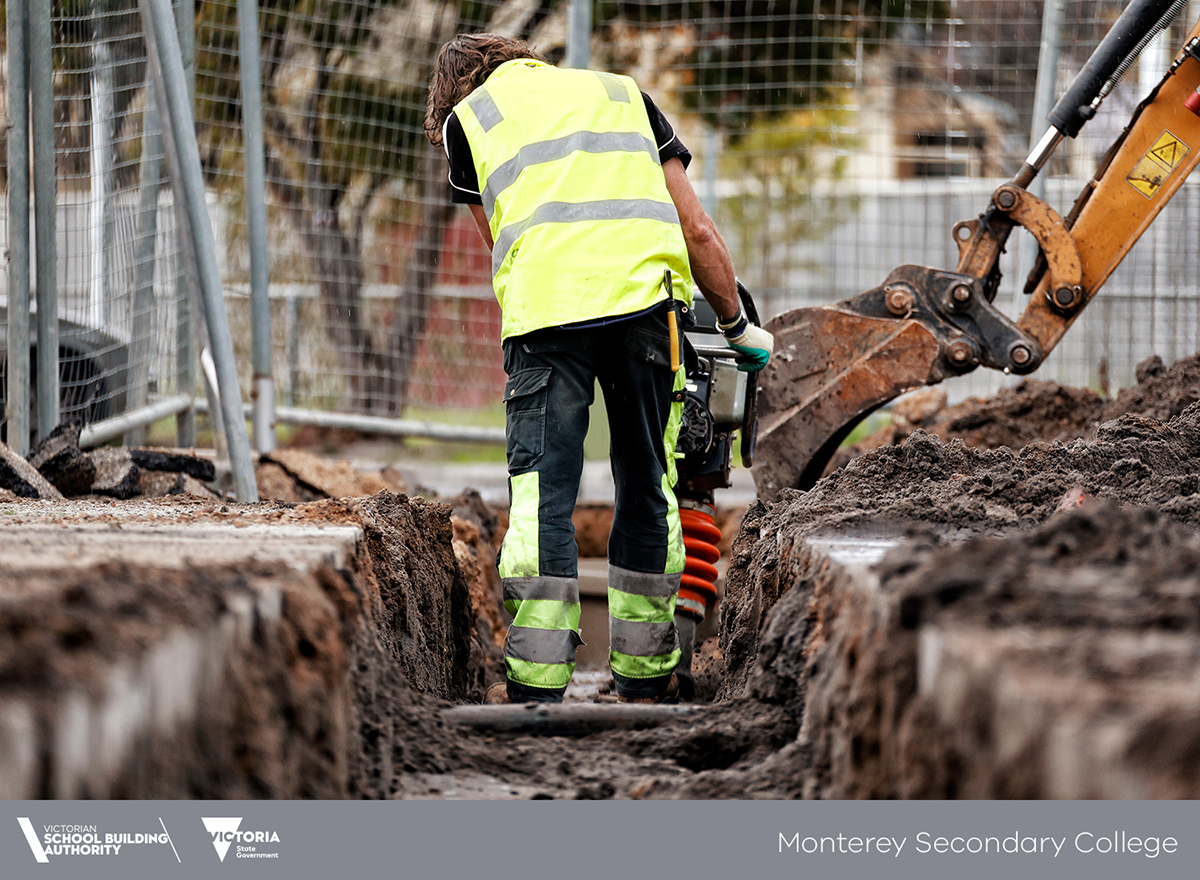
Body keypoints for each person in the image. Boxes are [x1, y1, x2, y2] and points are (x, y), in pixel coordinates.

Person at [425, 33, 774, 704]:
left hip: (545, 317)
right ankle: (645, 678)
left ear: (455, 88)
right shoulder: (623, 94)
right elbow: (696, 230)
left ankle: (534, 684)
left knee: (540, 496)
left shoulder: (468, 121)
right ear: (526, 57)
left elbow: (501, 244)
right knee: (648, 482)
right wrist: (738, 325)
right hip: (647, 308)